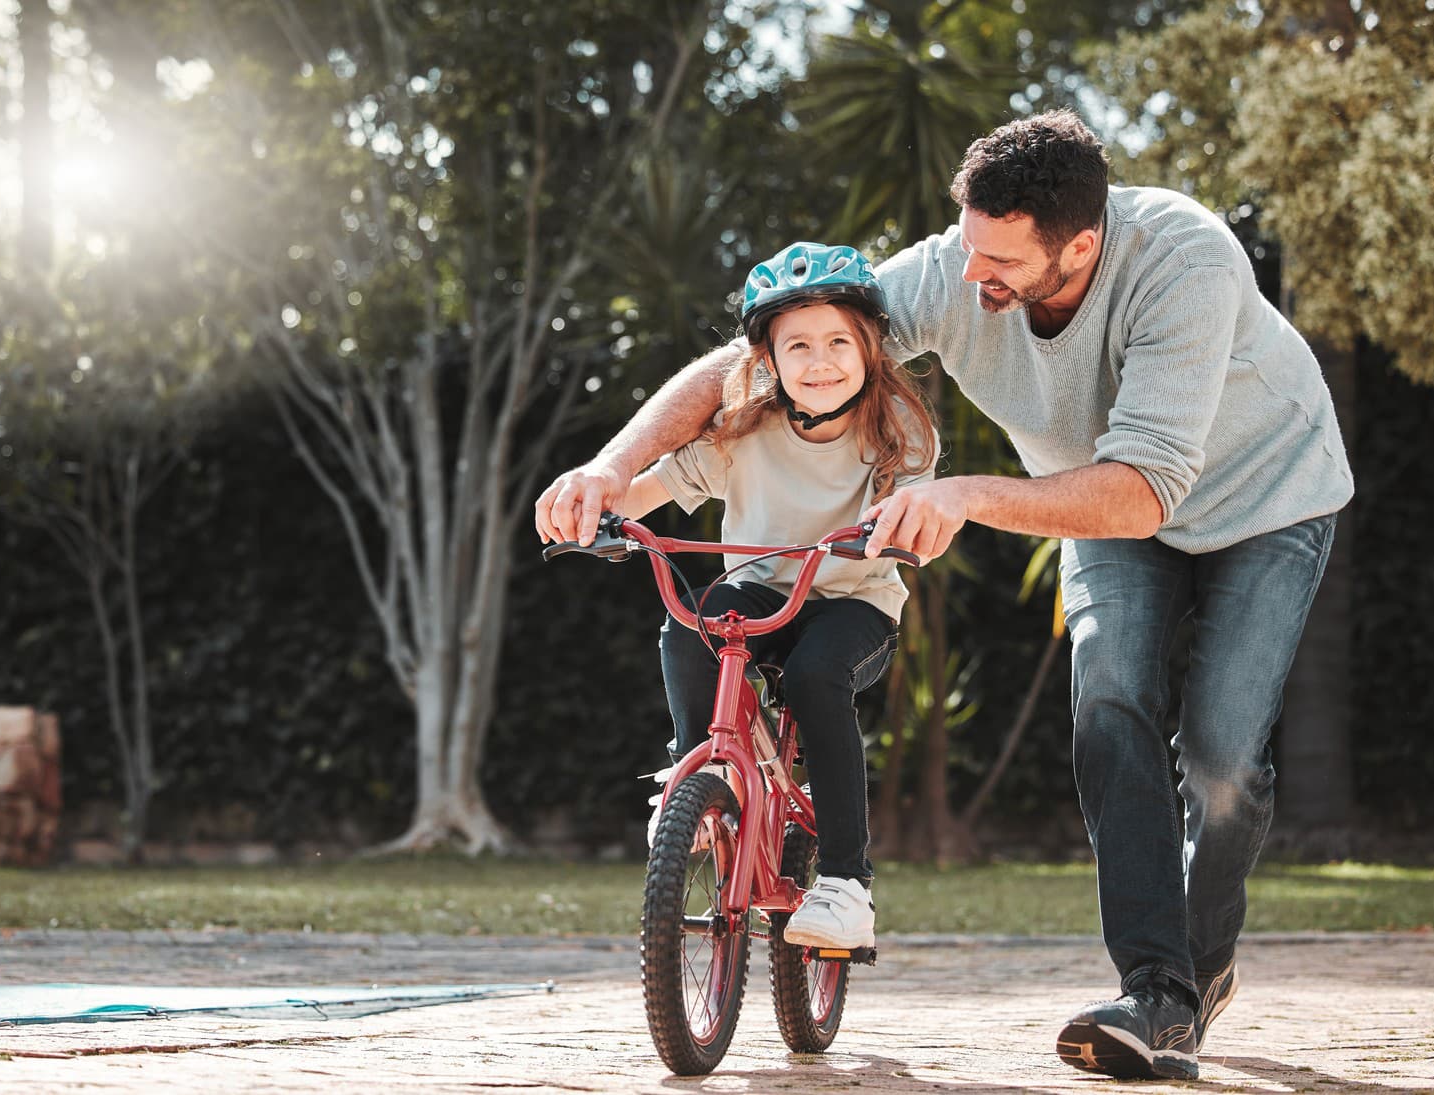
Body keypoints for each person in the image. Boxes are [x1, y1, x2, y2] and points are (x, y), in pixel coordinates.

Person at [535, 110, 1352, 1081]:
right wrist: (610, 465)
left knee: (1220, 760)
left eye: (999, 260)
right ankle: (1158, 989)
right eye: (968, 249)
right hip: (1100, 497)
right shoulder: (956, 266)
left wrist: (963, 493)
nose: (970, 278)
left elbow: (1143, 491)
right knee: (1107, 708)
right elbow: (748, 366)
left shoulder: (1186, 264)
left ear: (1080, 245)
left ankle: (1199, 963)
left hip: (1261, 497)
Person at [605, 241, 938, 950]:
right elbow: (656, 485)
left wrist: (902, 529)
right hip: (759, 590)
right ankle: (696, 768)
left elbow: (919, 513)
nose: (820, 362)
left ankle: (847, 883)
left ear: (871, 346)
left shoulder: (898, 430)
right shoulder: (742, 428)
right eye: (799, 346)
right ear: (767, 360)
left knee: (818, 673)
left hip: (854, 602)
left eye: (838, 342)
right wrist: (600, 507)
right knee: (693, 619)